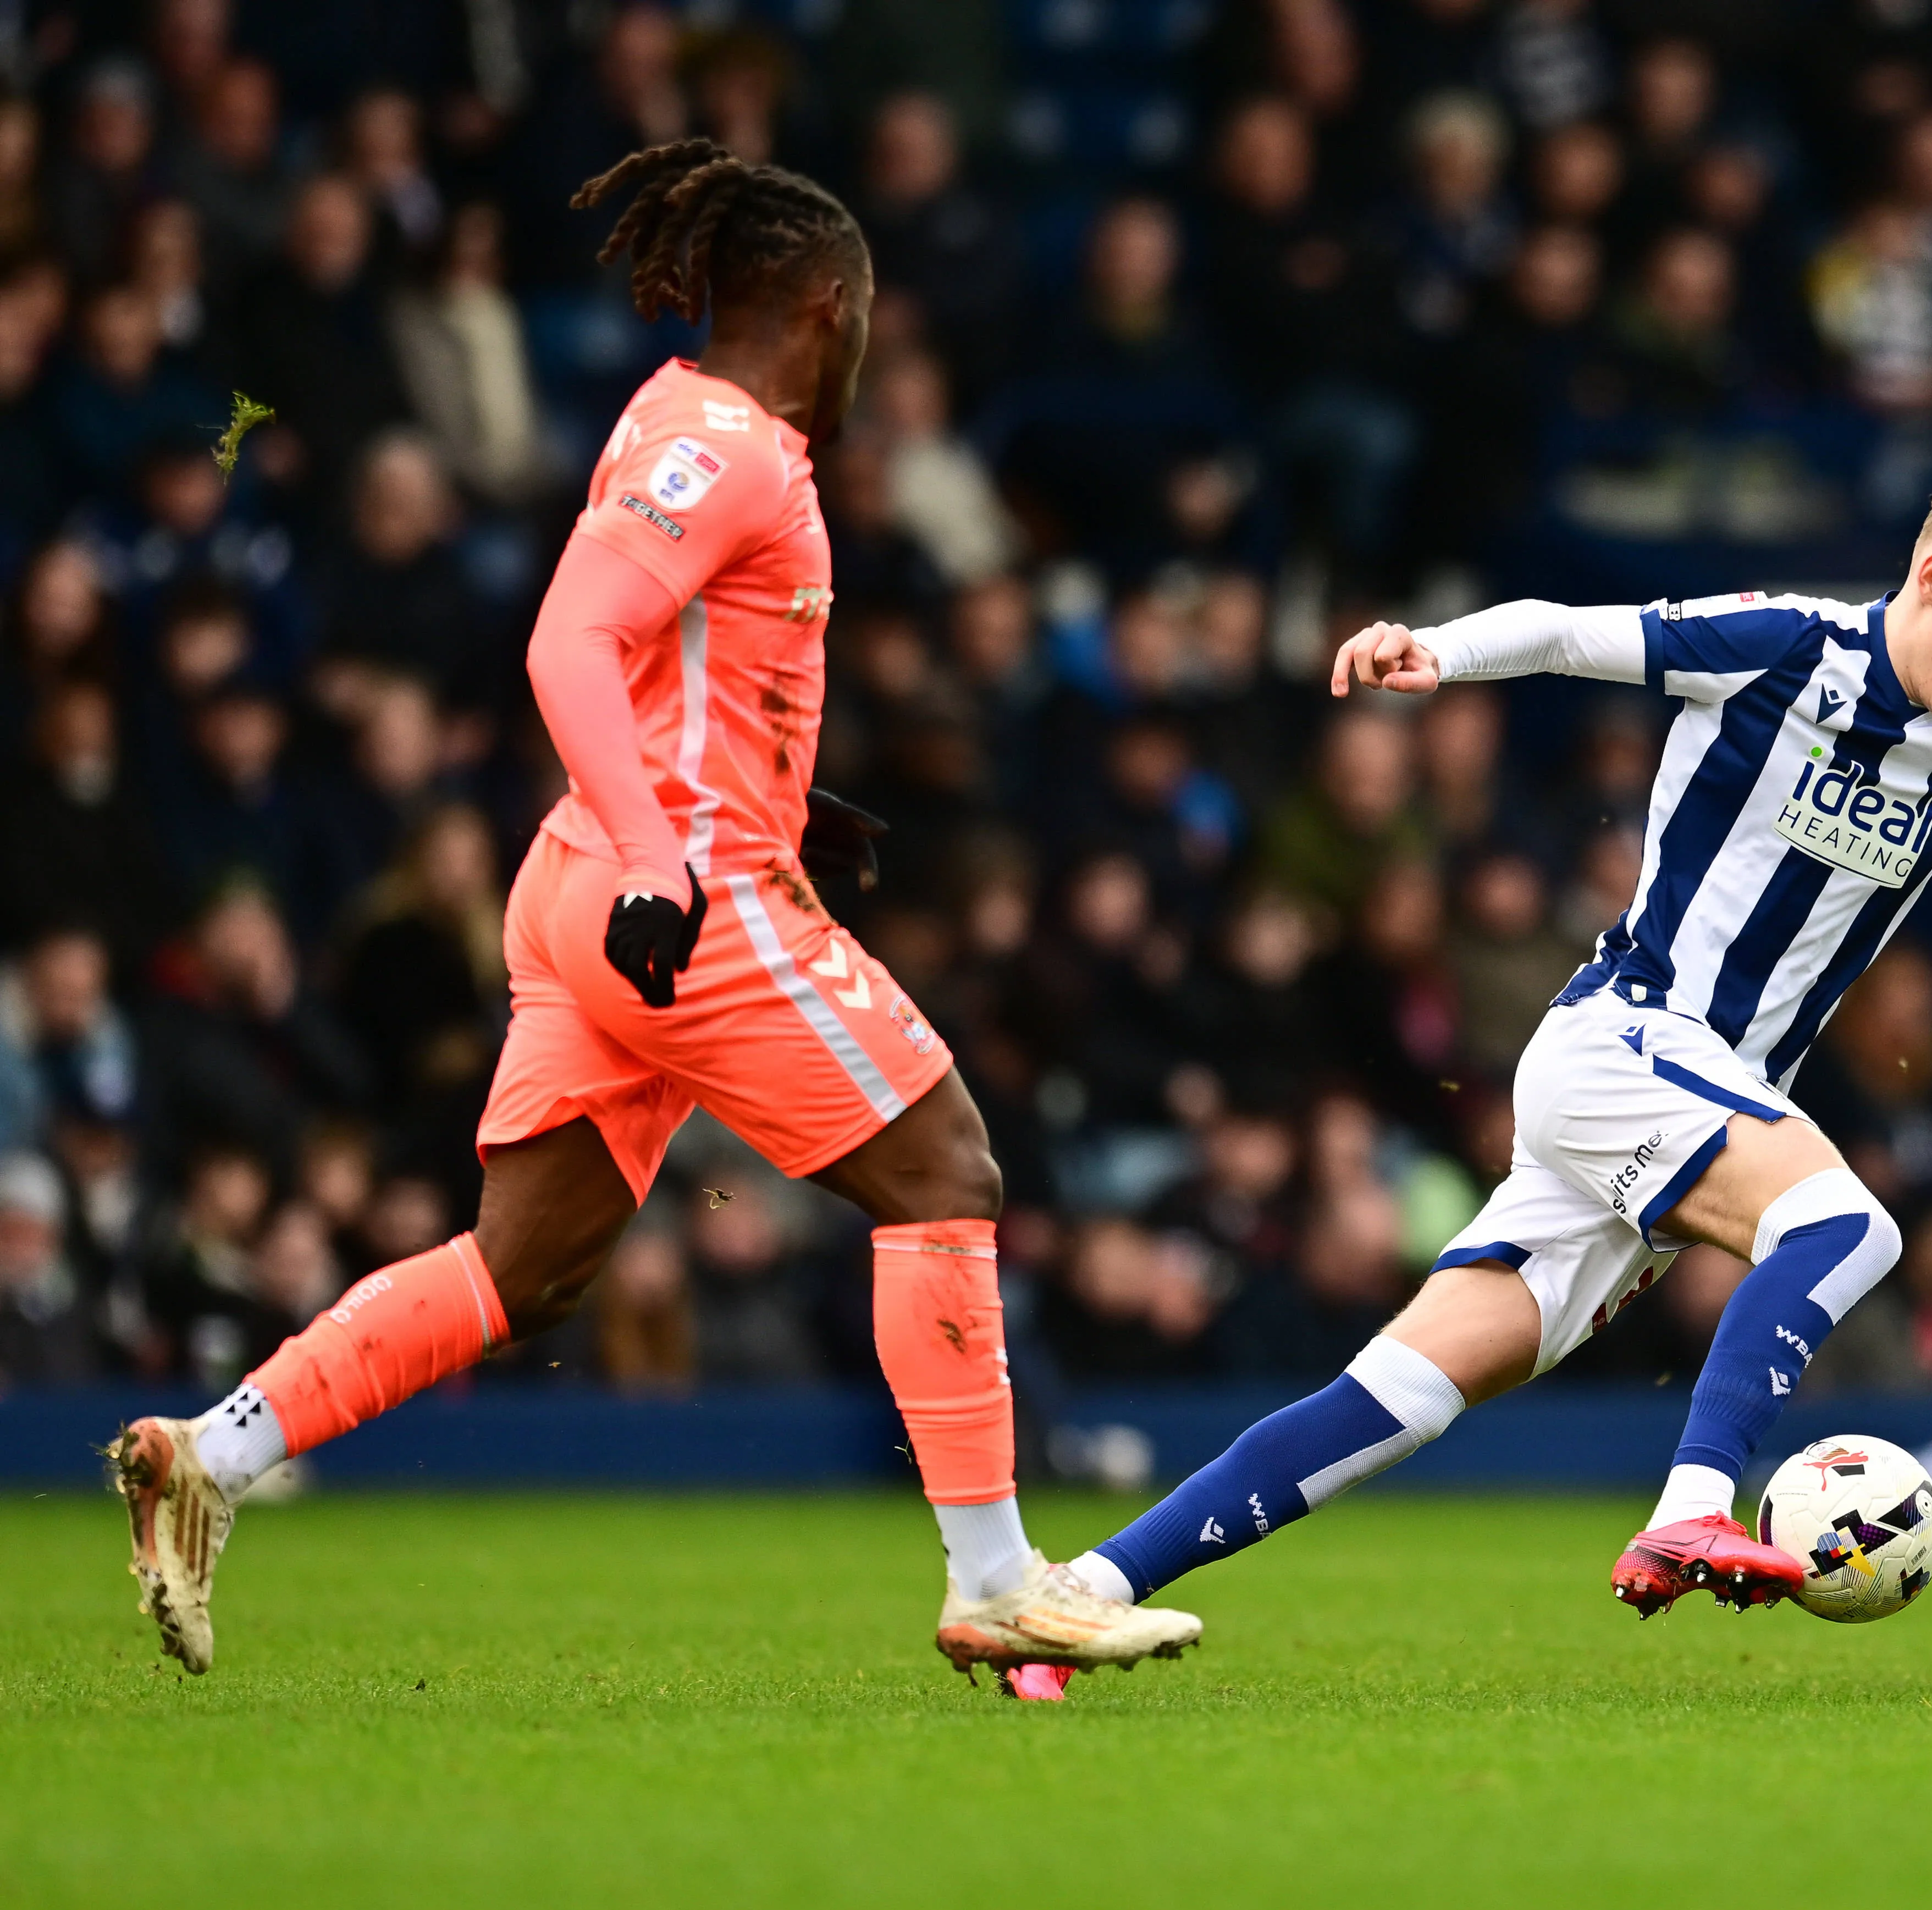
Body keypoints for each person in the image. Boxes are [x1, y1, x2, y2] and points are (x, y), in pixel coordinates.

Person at [106, 140, 1199, 1691]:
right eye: (867, 317)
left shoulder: (675, 419)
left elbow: (661, 668)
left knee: (523, 1269)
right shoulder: (731, 443)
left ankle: (212, 1453)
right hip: (673, 899)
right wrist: (658, 854)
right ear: (830, 303)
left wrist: (716, 810)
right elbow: (567, 643)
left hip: (596, 887)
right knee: (946, 1165)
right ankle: (1000, 1579)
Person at [1013, 470, 1932, 1692]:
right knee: (1845, 1226)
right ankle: (1696, 1502)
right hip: (1629, 1041)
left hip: (1701, 1093)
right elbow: (1562, 629)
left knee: (1402, 1395)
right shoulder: (1785, 646)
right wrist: (1429, 651)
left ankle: (1074, 1597)